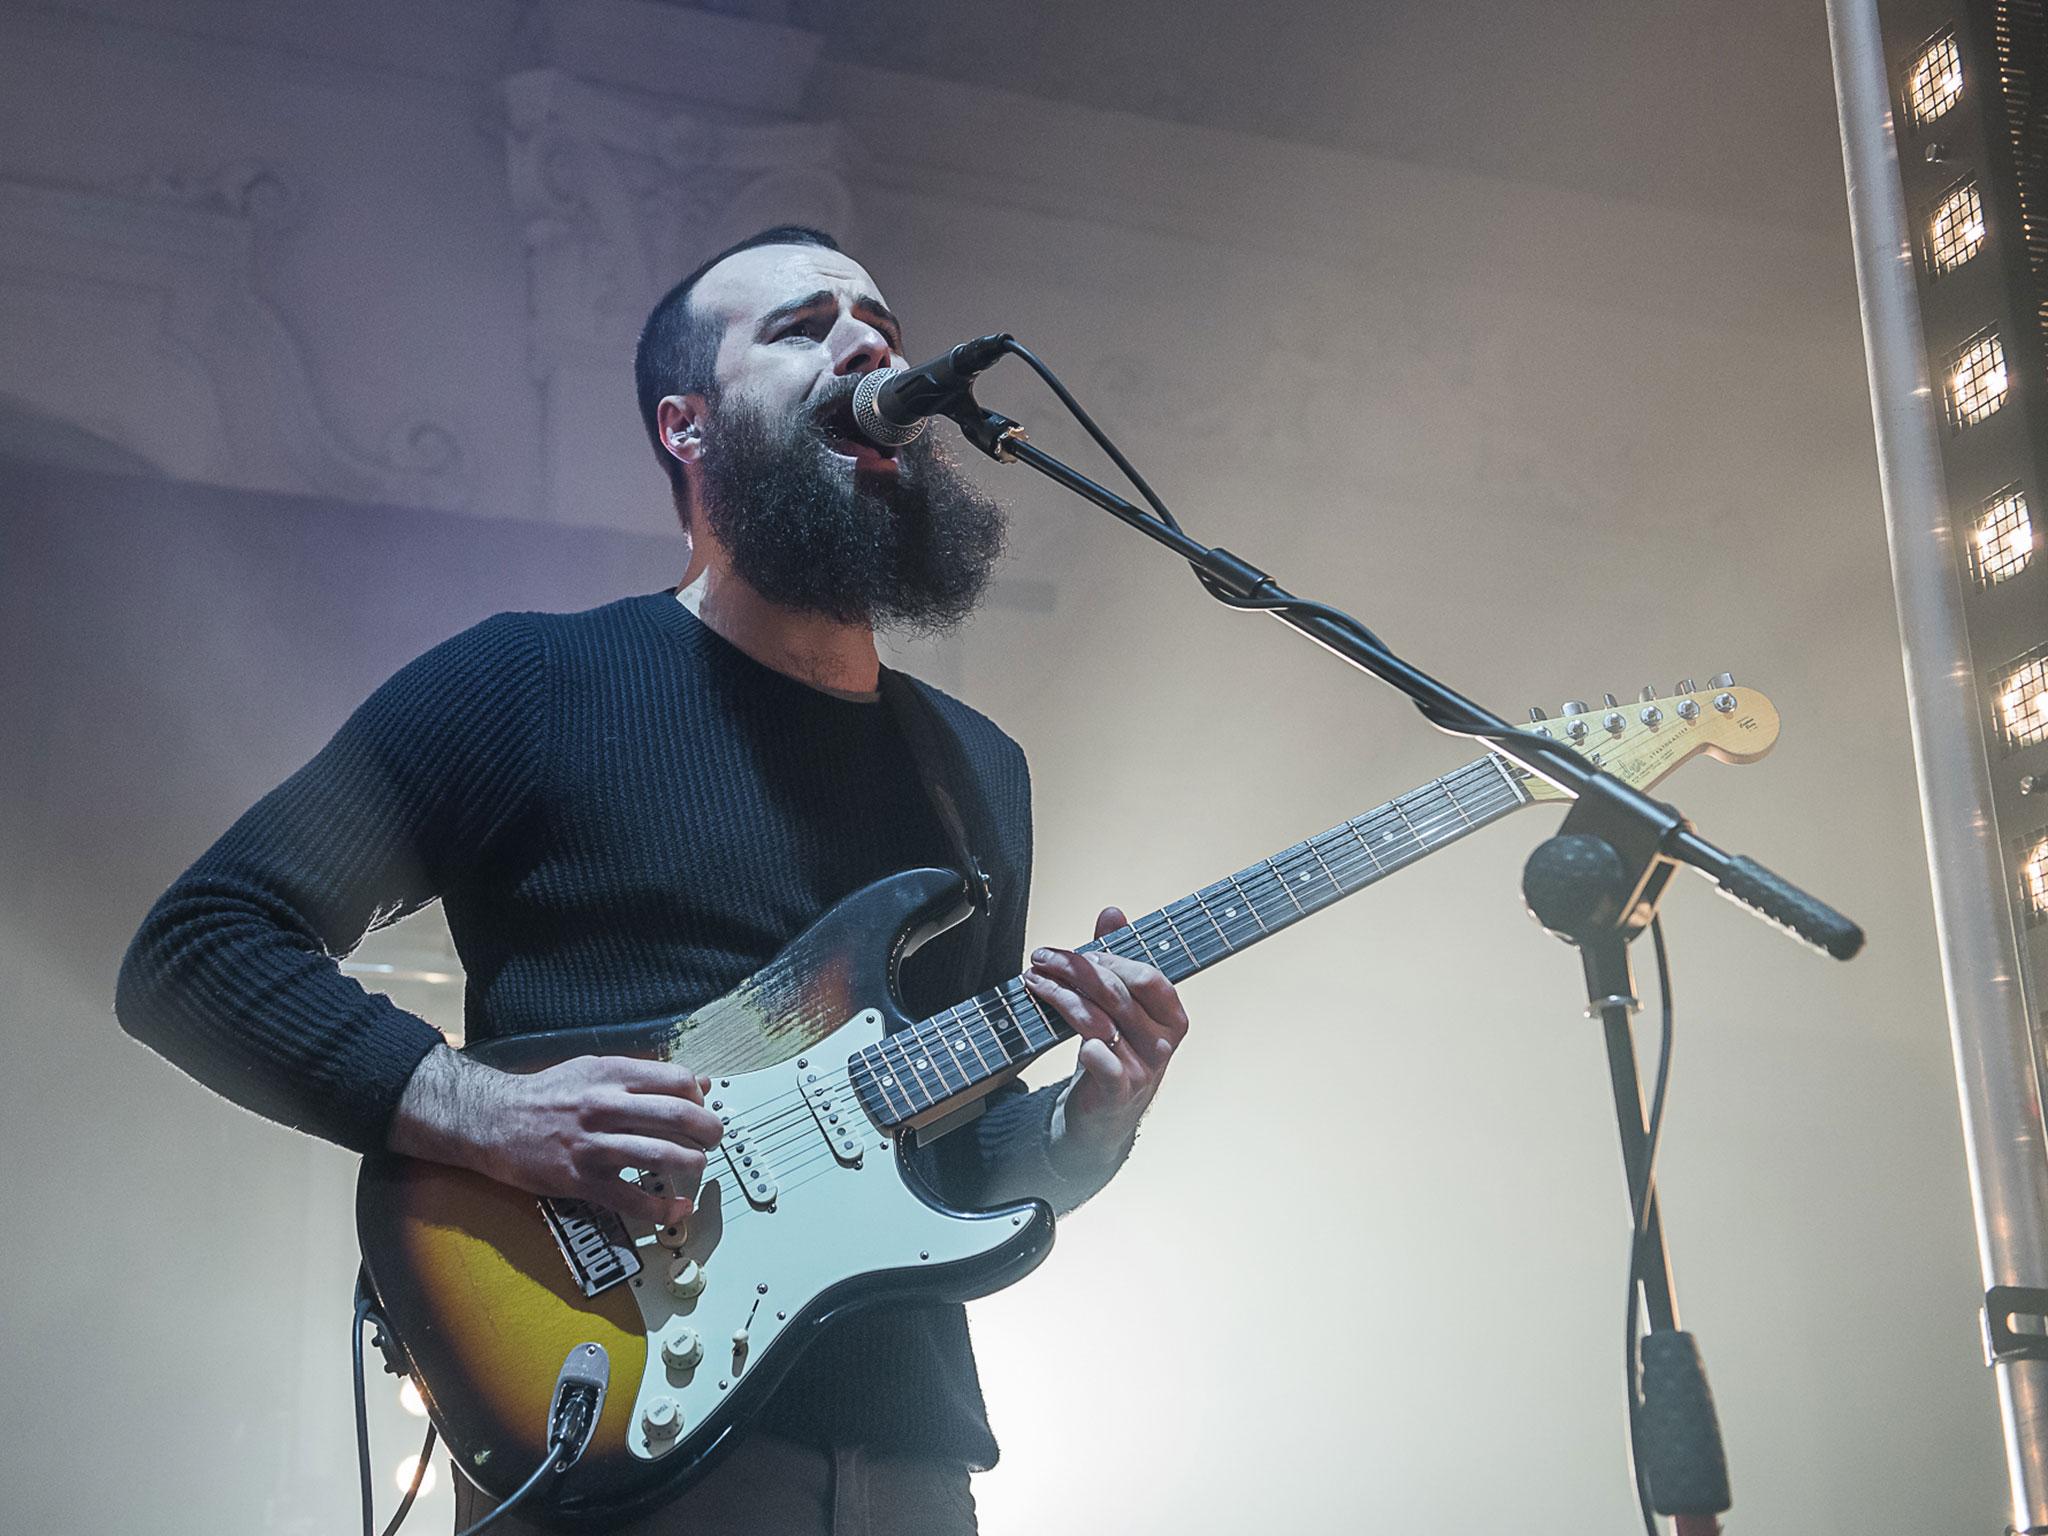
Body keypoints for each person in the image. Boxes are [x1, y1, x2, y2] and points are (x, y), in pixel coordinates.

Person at [115, 225, 1190, 1534]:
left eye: (884, 327)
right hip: (613, 1443)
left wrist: (1091, 1124)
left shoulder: (974, 768)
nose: (870, 345)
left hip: (912, 1470)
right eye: (802, 328)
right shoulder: (527, 685)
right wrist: (478, 1112)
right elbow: (201, 946)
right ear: (687, 430)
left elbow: (955, 1168)